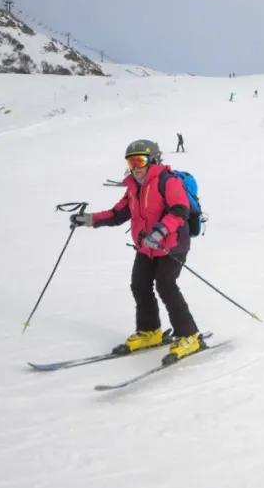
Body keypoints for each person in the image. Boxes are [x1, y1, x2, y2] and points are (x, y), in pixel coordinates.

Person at [69, 139, 202, 362]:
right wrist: (89, 219)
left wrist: (160, 231)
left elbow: (180, 210)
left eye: (139, 161)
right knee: (140, 285)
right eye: (131, 162)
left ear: (153, 161)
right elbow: (118, 214)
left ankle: (189, 336)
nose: (135, 167)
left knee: (166, 285)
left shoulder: (167, 181)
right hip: (146, 247)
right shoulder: (133, 187)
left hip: (173, 244)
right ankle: (150, 332)